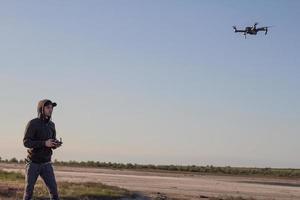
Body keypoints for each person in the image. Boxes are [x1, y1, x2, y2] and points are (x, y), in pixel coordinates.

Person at [23, 99, 62, 200]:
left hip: (46, 163)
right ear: (41, 109)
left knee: (54, 192)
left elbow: (51, 142)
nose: (51, 110)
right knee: (29, 192)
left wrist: (55, 144)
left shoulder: (51, 125)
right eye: (48, 107)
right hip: (33, 163)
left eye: (52, 108)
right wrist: (44, 143)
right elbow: (26, 142)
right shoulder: (33, 123)